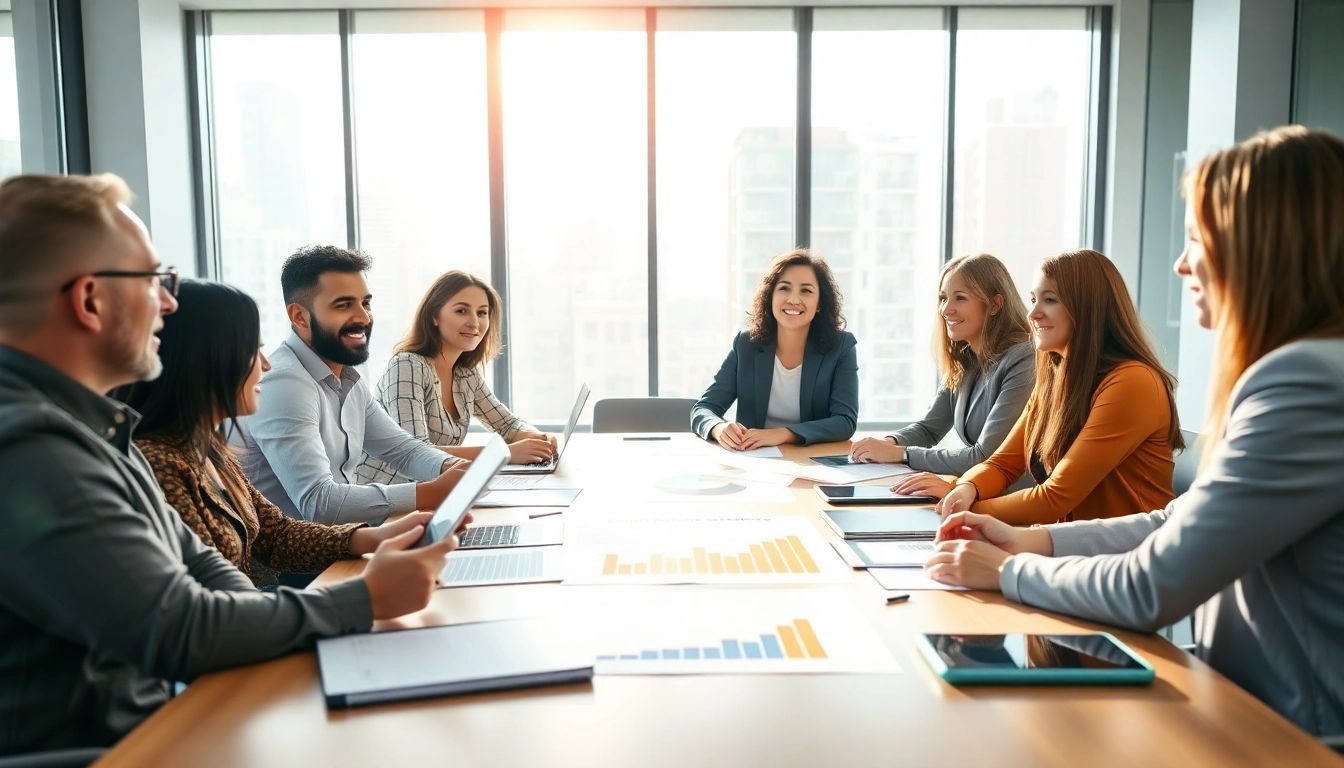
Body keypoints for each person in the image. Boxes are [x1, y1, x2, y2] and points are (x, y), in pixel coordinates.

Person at [0, 174, 460, 756]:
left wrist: (362, 559)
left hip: (154, 726)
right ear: (90, 300)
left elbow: (207, 570)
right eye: (153, 280)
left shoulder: (97, 430)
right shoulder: (33, 446)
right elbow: (178, 629)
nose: (168, 302)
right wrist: (362, 599)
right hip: (111, 750)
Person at [926, 126, 1344, 736]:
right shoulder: (1306, 372)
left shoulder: (1306, 383)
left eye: (1198, 238)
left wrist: (1006, 571)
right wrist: (1027, 541)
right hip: (1245, 703)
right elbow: (1175, 520)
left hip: (1294, 734)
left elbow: (1155, 585)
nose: (1180, 263)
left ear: (1264, 249)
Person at [117, 280, 450, 587]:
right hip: (248, 623)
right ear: (203, 362)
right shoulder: (158, 464)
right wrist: (364, 596)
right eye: (252, 351)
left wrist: (378, 537)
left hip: (260, 613)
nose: (266, 365)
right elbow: (210, 602)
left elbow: (276, 535)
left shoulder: (208, 449)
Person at [930, 249, 1182, 525]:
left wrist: (966, 509)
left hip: (1125, 555)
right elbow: (1002, 464)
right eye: (1033, 300)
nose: (1033, 314)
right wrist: (968, 488)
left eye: (1049, 300)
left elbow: (1054, 499)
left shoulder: (1133, 382)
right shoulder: (1055, 378)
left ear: (1086, 307)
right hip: (1070, 544)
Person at [232, 246, 468, 525]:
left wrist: (450, 467)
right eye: (343, 305)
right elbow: (319, 504)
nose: (364, 318)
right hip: (291, 563)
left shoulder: (347, 379)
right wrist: (431, 492)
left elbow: (403, 450)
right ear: (299, 317)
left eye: (365, 303)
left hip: (341, 545)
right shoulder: (283, 384)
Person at [848, 253, 1035, 496]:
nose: (946, 309)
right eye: (943, 298)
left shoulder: (1024, 359)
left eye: (960, 298)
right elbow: (928, 429)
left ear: (995, 305)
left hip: (1013, 505)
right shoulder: (967, 359)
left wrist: (901, 454)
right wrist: (888, 443)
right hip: (974, 495)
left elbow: (985, 456)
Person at [356, 270, 554, 484]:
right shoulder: (407, 365)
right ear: (434, 316)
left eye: (482, 312)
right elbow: (417, 453)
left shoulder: (466, 374)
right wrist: (504, 453)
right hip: (386, 501)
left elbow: (507, 425)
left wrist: (539, 438)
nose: (474, 323)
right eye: (461, 311)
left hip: (433, 492)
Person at [691, 249, 858, 448]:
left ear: (820, 303)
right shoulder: (746, 345)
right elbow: (704, 409)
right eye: (784, 288)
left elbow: (845, 421)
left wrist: (784, 434)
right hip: (754, 462)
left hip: (812, 461)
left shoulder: (841, 347)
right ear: (770, 296)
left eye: (806, 291)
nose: (794, 299)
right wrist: (718, 428)